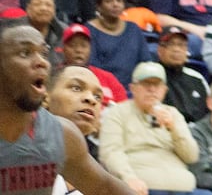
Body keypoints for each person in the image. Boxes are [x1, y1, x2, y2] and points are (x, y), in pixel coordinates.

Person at [0, 23, 136, 194]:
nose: (41, 62)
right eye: (25, 53)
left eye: (43, 53)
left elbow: (104, 188)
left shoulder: (63, 135)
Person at [100, 61, 205, 195]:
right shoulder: (117, 113)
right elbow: (110, 152)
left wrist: (173, 128)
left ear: (164, 90)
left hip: (182, 186)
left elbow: (191, 157)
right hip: (142, 185)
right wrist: (128, 178)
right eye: (146, 84)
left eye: (156, 84)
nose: (152, 89)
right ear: (132, 88)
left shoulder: (173, 114)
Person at [47, 65, 104, 195]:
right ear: (46, 97)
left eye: (97, 96)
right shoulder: (16, 153)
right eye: (76, 88)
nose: (90, 99)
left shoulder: (99, 175)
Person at [86, 0, 150, 91]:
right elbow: (92, 67)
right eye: (109, 1)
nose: (115, 5)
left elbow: (145, 61)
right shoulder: (89, 30)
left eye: (119, 1)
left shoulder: (133, 29)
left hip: (133, 90)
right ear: (99, 6)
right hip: (102, 90)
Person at [59, 23, 128, 107]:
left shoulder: (108, 78)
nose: (78, 50)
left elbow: (124, 110)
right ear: (63, 49)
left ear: (90, 49)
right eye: (73, 45)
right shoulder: (55, 77)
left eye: (83, 46)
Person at [158, 26, 210, 123]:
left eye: (181, 45)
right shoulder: (153, 76)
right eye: (171, 44)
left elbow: (209, 113)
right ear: (160, 50)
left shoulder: (197, 78)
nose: (176, 49)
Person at [25, 0, 64, 65]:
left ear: (54, 10)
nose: (43, 8)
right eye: (38, 4)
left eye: (48, 5)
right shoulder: (17, 31)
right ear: (28, 8)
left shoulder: (65, 32)